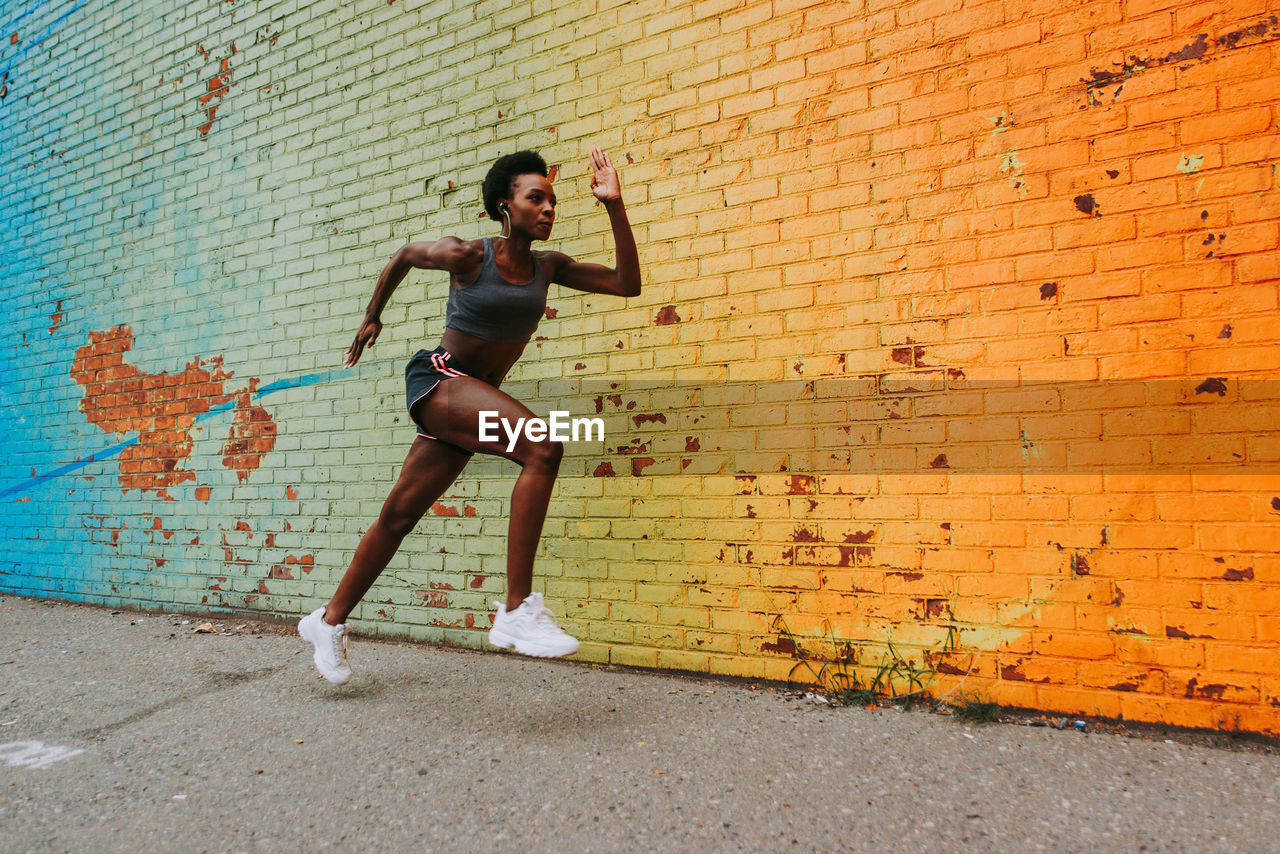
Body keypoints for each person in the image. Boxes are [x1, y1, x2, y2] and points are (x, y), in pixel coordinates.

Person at [298, 148, 640, 684]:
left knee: (399, 516)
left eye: (552, 200)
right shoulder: (468, 256)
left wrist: (614, 205)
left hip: (469, 401)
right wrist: (372, 318)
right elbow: (408, 254)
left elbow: (626, 283)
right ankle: (516, 609)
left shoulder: (550, 267)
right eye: (536, 198)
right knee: (542, 445)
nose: (549, 208)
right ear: (506, 206)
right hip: (440, 381)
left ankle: (327, 620)